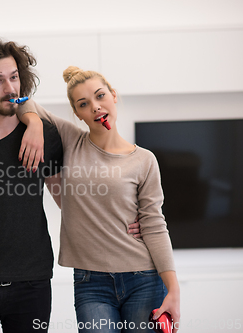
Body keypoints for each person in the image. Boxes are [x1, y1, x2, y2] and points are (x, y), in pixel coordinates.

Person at [0, 38, 142, 333]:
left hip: (32, 283)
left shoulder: (46, 135)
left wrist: (122, 223)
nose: (10, 88)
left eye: (14, 77)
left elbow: (68, 201)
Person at [17, 66, 181, 333]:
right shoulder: (70, 140)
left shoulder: (144, 160)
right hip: (90, 282)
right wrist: (35, 123)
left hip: (144, 278)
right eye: (84, 104)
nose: (95, 107)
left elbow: (154, 225)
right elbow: (24, 104)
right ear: (77, 113)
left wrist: (173, 290)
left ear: (113, 95)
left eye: (100, 96)